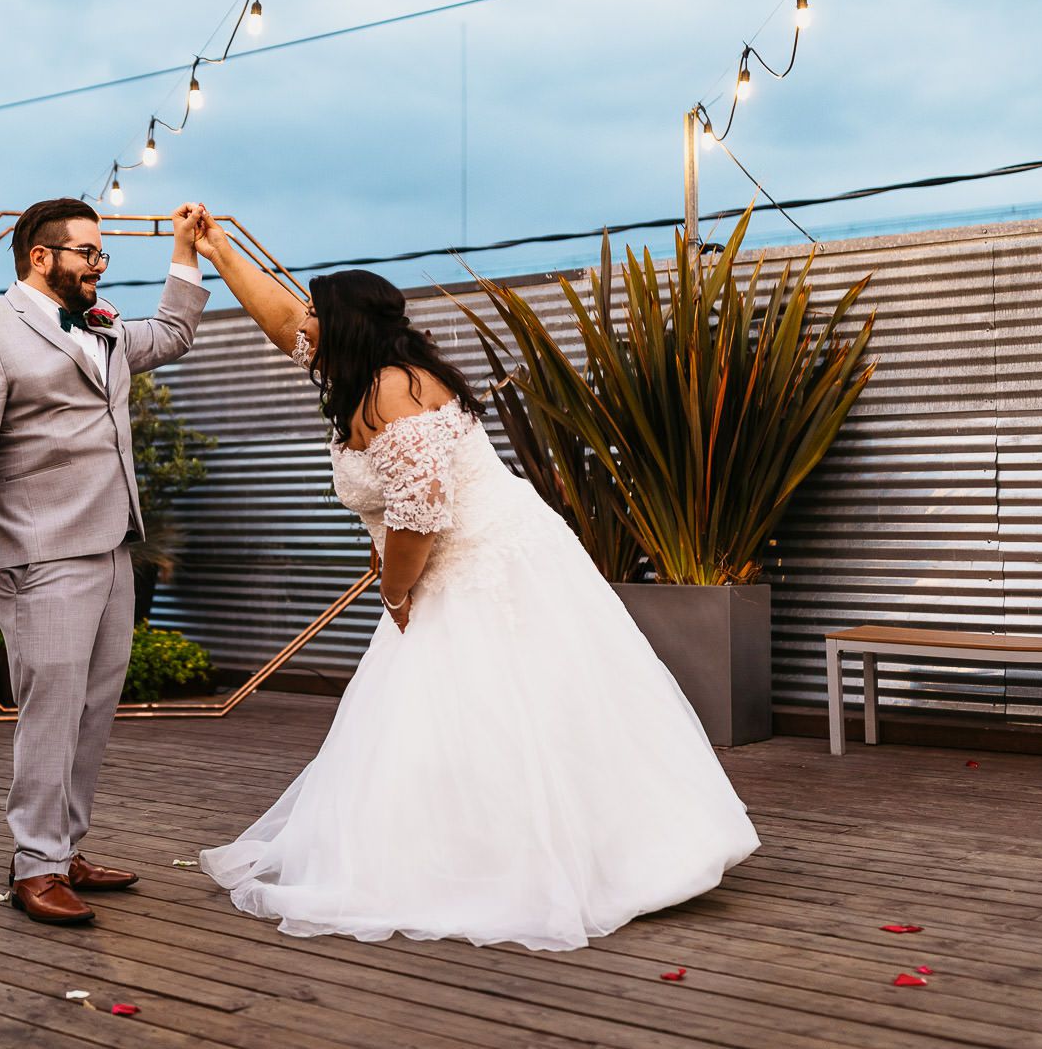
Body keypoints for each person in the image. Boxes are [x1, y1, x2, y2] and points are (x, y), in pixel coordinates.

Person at [190, 214, 760, 951]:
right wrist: (218, 251)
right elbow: (281, 323)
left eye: (316, 317)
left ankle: (543, 865)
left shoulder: (389, 393)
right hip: (488, 550)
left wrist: (394, 593)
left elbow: (423, 511)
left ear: (345, 329)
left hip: (477, 563)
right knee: (497, 711)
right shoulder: (383, 371)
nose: (305, 327)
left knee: (500, 707)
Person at [0, 197, 210, 924]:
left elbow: (175, 331)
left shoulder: (104, 326)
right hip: (40, 552)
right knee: (51, 712)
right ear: (41, 257)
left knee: (93, 710)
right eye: (88, 253)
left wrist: (186, 249)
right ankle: (35, 865)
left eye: (100, 254)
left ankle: (64, 848)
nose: (99, 265)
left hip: (112, 543)